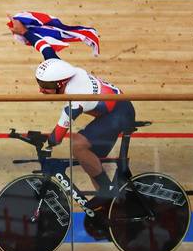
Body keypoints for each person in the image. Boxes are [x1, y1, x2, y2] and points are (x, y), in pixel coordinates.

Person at [9, 17, 136, 207]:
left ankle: (107, 193)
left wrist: (48, 142)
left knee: (77, 145)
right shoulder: (60, 70)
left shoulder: (76, 95)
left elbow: (59, 133)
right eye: (40, 84)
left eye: (45, 87)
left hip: (120, 112)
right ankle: (110, 204)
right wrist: (24, 31)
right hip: (112, 111)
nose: (41, 90)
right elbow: (44, 46)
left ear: (60, 84)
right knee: (88, 157)